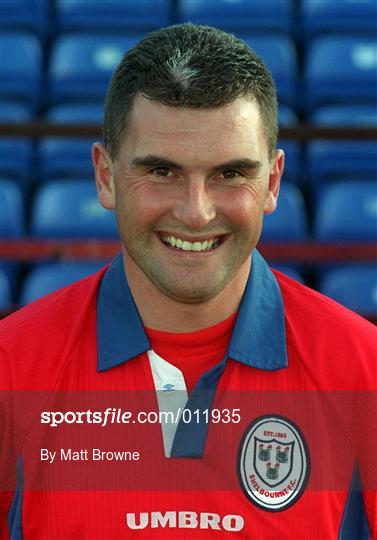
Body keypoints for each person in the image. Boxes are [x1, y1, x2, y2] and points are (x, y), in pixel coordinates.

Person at [0, 24, 376, 539]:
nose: (196, 213)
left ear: (272, 182)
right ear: (106, 177)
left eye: (229, 174)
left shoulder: (363, 371)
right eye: (161, 172)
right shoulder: (11, 368)